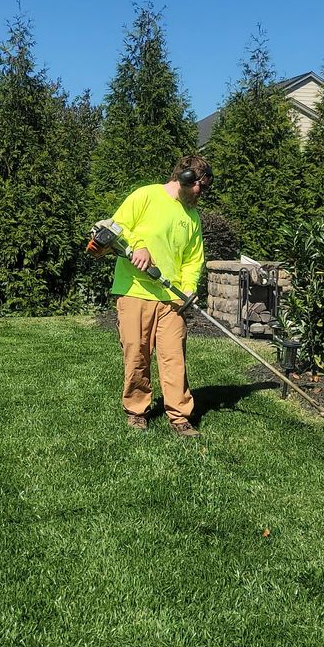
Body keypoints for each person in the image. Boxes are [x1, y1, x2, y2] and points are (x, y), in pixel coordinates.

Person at [106, 155, 211, 438]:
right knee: (137, 354)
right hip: (135, 290)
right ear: (185, 178)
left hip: (172, 298)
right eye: (200, 185)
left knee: (174, 357)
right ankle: (137, 410)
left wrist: (189, 287)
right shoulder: (146, 196)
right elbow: (115, 227)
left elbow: (192, 259)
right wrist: (138, 246)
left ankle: (179, 416)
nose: (202, 192)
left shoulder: (192, 216)